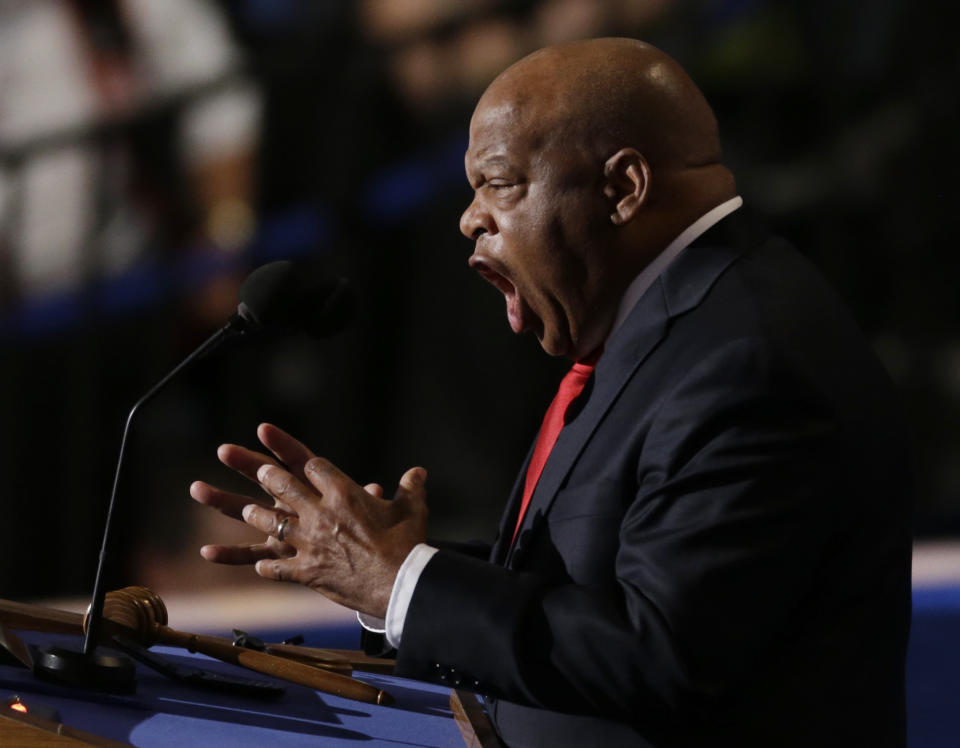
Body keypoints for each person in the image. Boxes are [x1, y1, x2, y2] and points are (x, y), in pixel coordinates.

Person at [190, 38, 912, 748]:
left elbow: (660, 655)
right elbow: (592, 577)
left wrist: (401, 580)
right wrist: (382, 566)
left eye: (498, 183)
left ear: (623, 188)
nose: (469, 219)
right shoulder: (674, 323)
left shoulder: (747, 361)